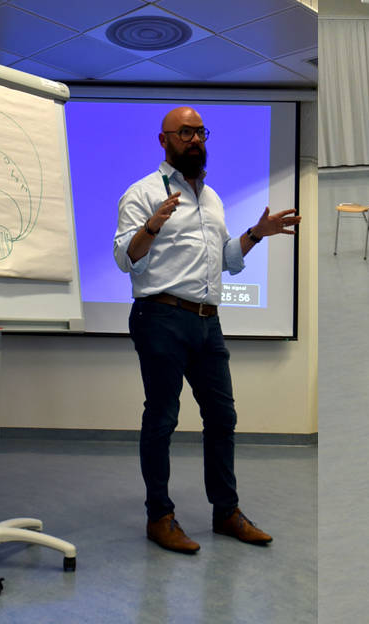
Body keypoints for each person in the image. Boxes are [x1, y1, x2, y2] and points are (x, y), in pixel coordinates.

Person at [113, 107, 299, 554]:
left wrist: (257, 233)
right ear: (164, 140)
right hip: (160, 318)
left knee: (222, 418)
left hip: (206, 322)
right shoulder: (141, 194)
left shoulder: (211, 198)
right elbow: (125, 258)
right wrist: (152, 225)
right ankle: (159, 517)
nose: (194, 139)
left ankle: (226, 513)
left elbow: (227, 260)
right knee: (162, 419)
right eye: (184, 133)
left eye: (199, 132)